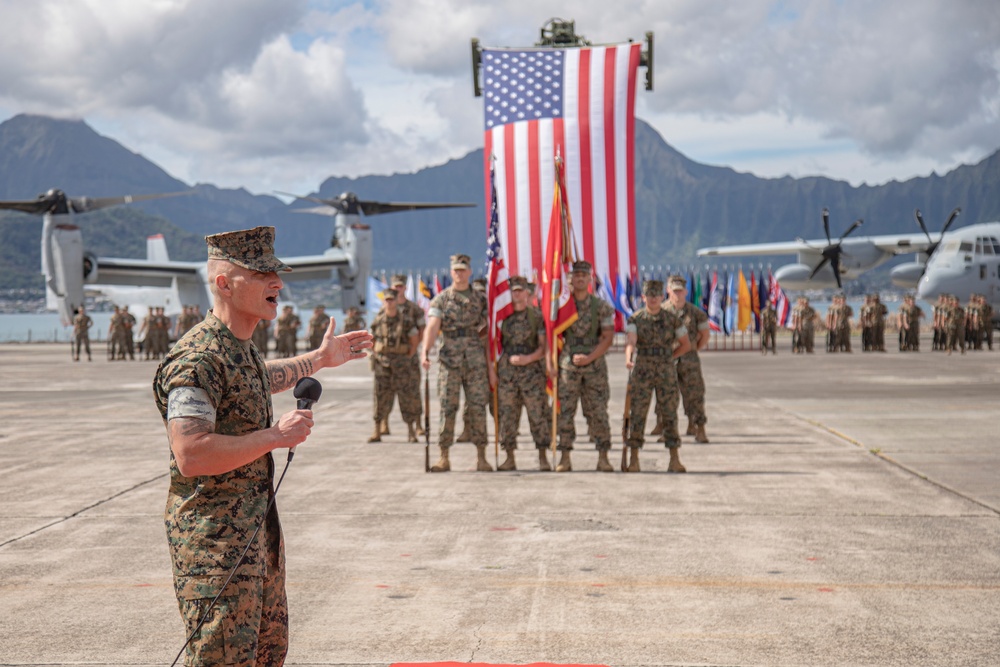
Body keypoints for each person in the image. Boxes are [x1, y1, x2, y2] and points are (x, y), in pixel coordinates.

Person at [153, 226, 372, 666]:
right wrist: (276, 437)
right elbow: (192, 453)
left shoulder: (240, 350)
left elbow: (262, 377)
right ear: (224, 284)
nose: (277, 283)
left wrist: (320, 359)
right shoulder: (197, 360)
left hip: (256, 540)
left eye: (276, 273)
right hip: (215, 549)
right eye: (261, 274)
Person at [421, 254, 492, 472]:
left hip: (475, 362)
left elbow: (489, 331)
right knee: (447, 408)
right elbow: (433, 326)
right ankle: (444, 456)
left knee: (478, 408)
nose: (459, 273)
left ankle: (481, 456)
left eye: (463, 269)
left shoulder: (481, 299)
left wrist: (491, 365)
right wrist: (425, 352)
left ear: (470, 272)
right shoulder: (441, 299)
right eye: (456, 270)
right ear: (451, 272)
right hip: (449, 361)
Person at [553, 261, 615, 473]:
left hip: (594, 366)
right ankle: (565, 456)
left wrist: (590, 358)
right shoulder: (561, 307)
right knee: (565, 412)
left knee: (598, 411)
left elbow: (607, 337)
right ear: (569, 279)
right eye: (575, 275)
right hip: (568, 366)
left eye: (583, 275)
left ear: (590, 279)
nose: (579, 279)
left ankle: (603, 456)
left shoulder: (601, 307)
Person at [624, 280, 691, 473]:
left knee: (669, 413)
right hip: (643, 369)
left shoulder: (672, 319)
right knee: (637, 413)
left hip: (665, 371)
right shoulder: (636, 319)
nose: (653, 299)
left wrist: (670, 357)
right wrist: (629, 358)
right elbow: (631, 341)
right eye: (649, 296)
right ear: (643, 297)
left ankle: (674, 459)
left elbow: (685, 344)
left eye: (656, 295)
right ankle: (634, 458)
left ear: (662, 297)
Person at [495, 275, 552, 471]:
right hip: (508, 374)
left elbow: (543, 347)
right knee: (508, 416)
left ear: (527, 293)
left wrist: (529, 359)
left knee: (538, 415)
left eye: (520, 290)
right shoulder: (502, 317)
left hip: (532, 374)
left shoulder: (536, 316)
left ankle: (543, 456)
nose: (516, 294)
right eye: (514, 290)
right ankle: (509, 457)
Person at [368, 290, 420, 443]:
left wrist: (408, 356)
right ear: (383, 301)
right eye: (387, 300)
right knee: (380, 398)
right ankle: (377, 430)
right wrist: (377, 353)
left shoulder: (406, 320)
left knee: (406, 398)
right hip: (382, 366)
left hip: (401, 366)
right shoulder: (378, 320)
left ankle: (411, 431)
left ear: (397, 301)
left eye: (392, 300)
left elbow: (414, 340)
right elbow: (371, 339)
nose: (389, 303)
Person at [664, 275, 711, 443]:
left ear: (686, 291)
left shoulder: (695, 312)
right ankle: (668, 430)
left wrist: (694, 348)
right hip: (668, 361)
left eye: (680, 291)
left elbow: (705, 335)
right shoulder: (662, 312)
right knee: (668, 396)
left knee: (695, 395)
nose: (677, 294)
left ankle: (700, 428)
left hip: (690, 361)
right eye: (674, 290)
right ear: (668, 290)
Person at [386, 274, 426, 439]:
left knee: (413, 392)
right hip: (390, 360)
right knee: (386, 392)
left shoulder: (414, 309)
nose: (398, 289)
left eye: (401, 286)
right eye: (395, 287)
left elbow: (422, 331)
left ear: (405, 288)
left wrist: (414, 349)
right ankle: (383, 423)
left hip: (409, 358)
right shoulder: (386, 307)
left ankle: (418, 424)